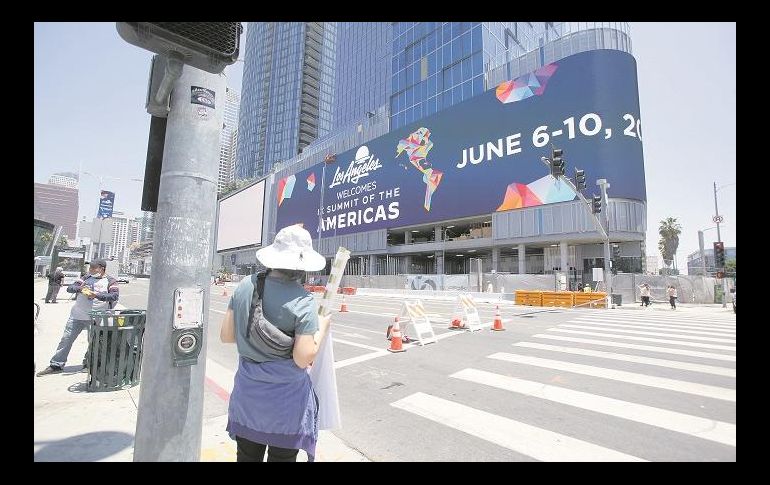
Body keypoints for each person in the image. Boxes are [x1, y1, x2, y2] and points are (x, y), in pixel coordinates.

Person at [219, 224, 331, 462]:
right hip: (285, 406)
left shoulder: (244, 285)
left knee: (247, 457)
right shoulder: (303, 300)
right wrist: (321, 327)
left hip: (247, 398)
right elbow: (303, 358)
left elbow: (227, 336)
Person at [36, 259, 120, 376]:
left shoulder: (111, 281)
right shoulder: (85, 278)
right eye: (90, 267)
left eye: (93, 268)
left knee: (94, 343)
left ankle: (88, 363)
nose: (90, 269)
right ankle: (56, 365)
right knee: (66, 340)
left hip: (96, 318)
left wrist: (96, 295)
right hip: (77, 316)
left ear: (101, 268)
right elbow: (70, 288)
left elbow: (114, 295)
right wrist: (80, 289)